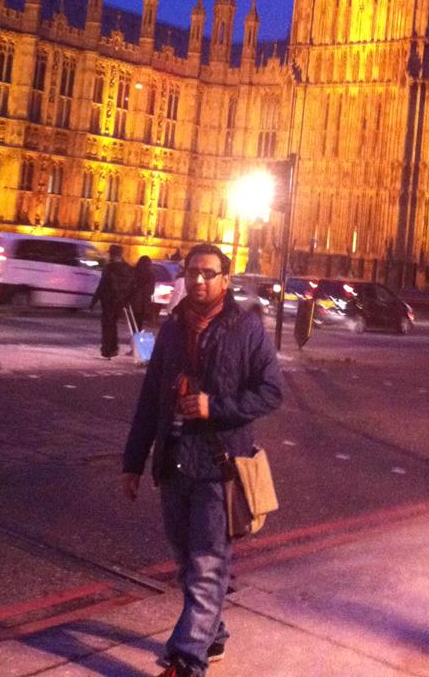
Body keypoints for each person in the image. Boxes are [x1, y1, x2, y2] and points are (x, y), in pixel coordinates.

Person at [121, 243, 283, 677]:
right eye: (192, 272)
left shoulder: (246, 329)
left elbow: (271, 392)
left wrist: (216, 407)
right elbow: (150, 398)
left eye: (208, 273)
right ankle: (212, 634)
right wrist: (133, 462)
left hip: (219, 467)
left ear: (225, 280)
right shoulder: (173, 328)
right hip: (173, 462)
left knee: (208, 564)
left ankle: (187, 659)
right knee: (186, 563)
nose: (198, 280)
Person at [90, 244, 134, 358]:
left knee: (107, 325)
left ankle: (107, 350)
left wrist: (94, 300)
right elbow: (132, 286)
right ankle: (114, 348)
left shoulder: (109, 268)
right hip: (121, 301)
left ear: (112, 255)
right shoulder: (128, 268)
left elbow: (102, 285)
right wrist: (126, 300)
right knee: (113, 324)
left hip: (108, 300)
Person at [129, 254, 157, 331]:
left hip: (134, 302)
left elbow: (130, 287)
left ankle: (134, 335)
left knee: (133, 323)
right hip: (144, 304)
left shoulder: (134, 272)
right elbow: (151, 291)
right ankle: (138, 335)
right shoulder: (151, 275)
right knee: (139, 323)